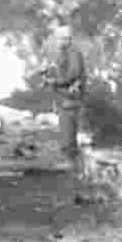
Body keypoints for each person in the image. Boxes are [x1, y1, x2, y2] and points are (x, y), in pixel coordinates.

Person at [47, 25, 87, 158]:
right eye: (58, 39)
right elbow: (63, 70)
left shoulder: (73, 52)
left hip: (70, 97)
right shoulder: (65, 52)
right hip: (66, 97)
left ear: (66, 39)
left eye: (60, 39)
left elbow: (74, 73)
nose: (58, 42)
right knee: (66, 129)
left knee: (68, 129)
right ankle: (69, 156)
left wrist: (56, 82)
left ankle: (69, 159)